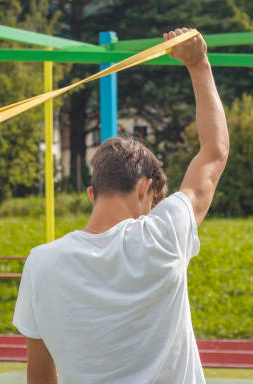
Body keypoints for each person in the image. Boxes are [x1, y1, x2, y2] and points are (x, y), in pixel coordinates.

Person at [13, 27, 229, 384]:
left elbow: (39, 380)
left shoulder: (41, 262)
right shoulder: (163, 234)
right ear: (146, 188)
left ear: (91, 193)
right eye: (154, 202)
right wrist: (198, 64)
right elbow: (214, 152)